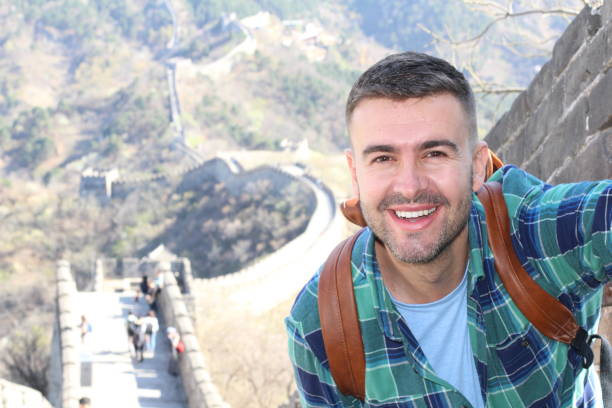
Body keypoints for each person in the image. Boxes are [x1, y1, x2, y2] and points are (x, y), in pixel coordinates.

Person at [285, 51, 611, 407]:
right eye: (383, 158)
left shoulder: (532, 237)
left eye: (434, 154)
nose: (409, 187)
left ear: (476, 166)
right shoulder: (323, 324)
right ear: (355, 174)